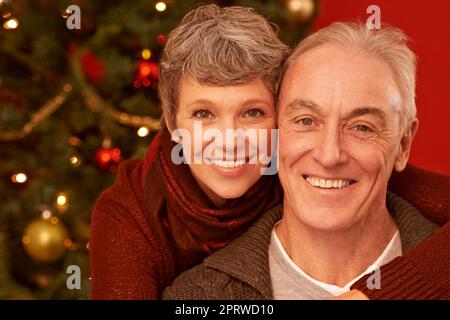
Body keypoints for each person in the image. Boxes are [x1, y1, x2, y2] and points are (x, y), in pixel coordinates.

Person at [90, 5, 450, 300]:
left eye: (252, 113)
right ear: (171, 123)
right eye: (204, 114)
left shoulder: (331, 171)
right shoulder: (133, 217)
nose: (328, 155)